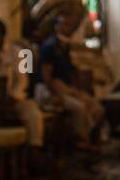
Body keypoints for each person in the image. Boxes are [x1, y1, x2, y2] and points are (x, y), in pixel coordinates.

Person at [0, 16, 44, 148]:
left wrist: (13, 97)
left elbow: (23, 80)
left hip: (14, 99)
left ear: (1, 34)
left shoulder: (20, 53)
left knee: (33, 114)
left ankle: (35, 148)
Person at [36, 10, 104, 150]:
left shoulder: (64, 46)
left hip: (66, 88)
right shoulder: (49, 47)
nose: (68, 28)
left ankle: (88, 137)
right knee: (79, 108)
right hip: (54, 89)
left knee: (95, 107)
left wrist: (77, 88)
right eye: (64, 24)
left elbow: (70, 70)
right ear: (57, 26)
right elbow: (46, 74)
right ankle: (80, 140)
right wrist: (56, 95)